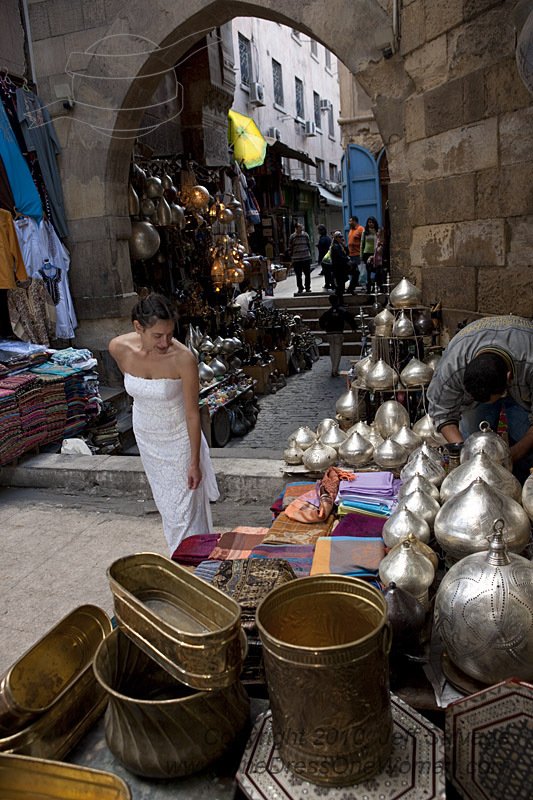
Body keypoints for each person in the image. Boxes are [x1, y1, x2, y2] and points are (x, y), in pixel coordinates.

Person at [109, 293, 219, 554]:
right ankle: (186, 559)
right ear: (139, 328)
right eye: (157, 336)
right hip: (148, 439)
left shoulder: (183, 359)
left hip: (179, 439)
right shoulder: (117, 348)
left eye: (170, 334)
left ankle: (188, 562)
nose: (165, 342)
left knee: (184, 511)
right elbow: (138, 388)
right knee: (168, 508)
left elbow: (193, 414)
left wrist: (194, 462)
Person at [426, 314, 533, 483]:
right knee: (473, 440)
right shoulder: (453, 366)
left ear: (508, 377)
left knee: (525, 448)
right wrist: (467, 453)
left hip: (524, 381)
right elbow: (442, 413)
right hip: (484, 385)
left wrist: (513, 455)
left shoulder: (530, 361)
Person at [319, 294, 357, 377]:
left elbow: (321, 320)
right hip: (338, 332)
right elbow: (350, 318)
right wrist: (354, 327)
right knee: (338, 350)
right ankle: (335, 369)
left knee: (332, 349)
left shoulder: (328, 312)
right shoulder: (342, 311)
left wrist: (324, 327)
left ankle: (333, 367)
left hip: (329, 332)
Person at [289, 222, 312, 295]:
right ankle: (300, 288)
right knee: (298, 275)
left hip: (305, 258)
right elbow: (290, 247)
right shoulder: (292, 236)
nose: (301, 228)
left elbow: (308, 245)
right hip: (296, 259)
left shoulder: (305, 235)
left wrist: (309, 255)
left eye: (301, 226)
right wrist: (292, 257)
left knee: (307, 274)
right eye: (299, 227)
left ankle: (307, 287)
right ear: (296, 228)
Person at [360, 216, 379, 293]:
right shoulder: (365, 232)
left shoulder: (377, 231)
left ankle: (375, 286)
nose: (371, 224)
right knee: (368, 271)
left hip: (376, 253)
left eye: (372, 222)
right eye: (369, 222)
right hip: (367, 253)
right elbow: (362, 244)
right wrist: (361, 255)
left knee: (377, 270)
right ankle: (368, 288)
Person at [346, 216, 365, 293]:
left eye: (350, 221)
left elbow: (364, 241)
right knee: (353, 271)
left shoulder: (360, 229)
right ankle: (354, 284)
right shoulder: (351, 230)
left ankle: (363, 284)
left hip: (358, 254)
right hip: (351, 254)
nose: (349, 223)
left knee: (361, 270)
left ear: (355, 221)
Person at [330, 230, 350, 299]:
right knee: (339, 287)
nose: (341, 238)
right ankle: (340, 302)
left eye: (341, 237)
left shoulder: (340, 245)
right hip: (338, 269)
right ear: (336, 238)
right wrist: (347, 259)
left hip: (341, 269)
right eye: (339, 237)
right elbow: (341, 257)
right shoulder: (335, 246)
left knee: (342, 286)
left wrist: (344, 245)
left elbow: (347, 252)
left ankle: (341, 301)